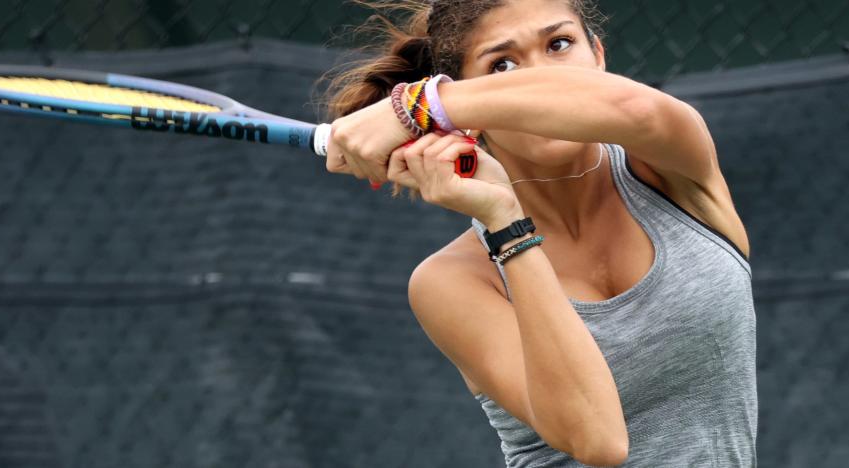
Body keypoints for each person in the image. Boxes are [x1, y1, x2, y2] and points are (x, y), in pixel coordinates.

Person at [324, 0, 757, 466]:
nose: (542, 74)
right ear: (467, 113)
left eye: (560, 44)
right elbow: (597, 440)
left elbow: (631, 106)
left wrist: (424, 106)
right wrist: (505, 223)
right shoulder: (450, 282)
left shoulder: (671, 163)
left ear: (599, 56)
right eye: (502, 64)